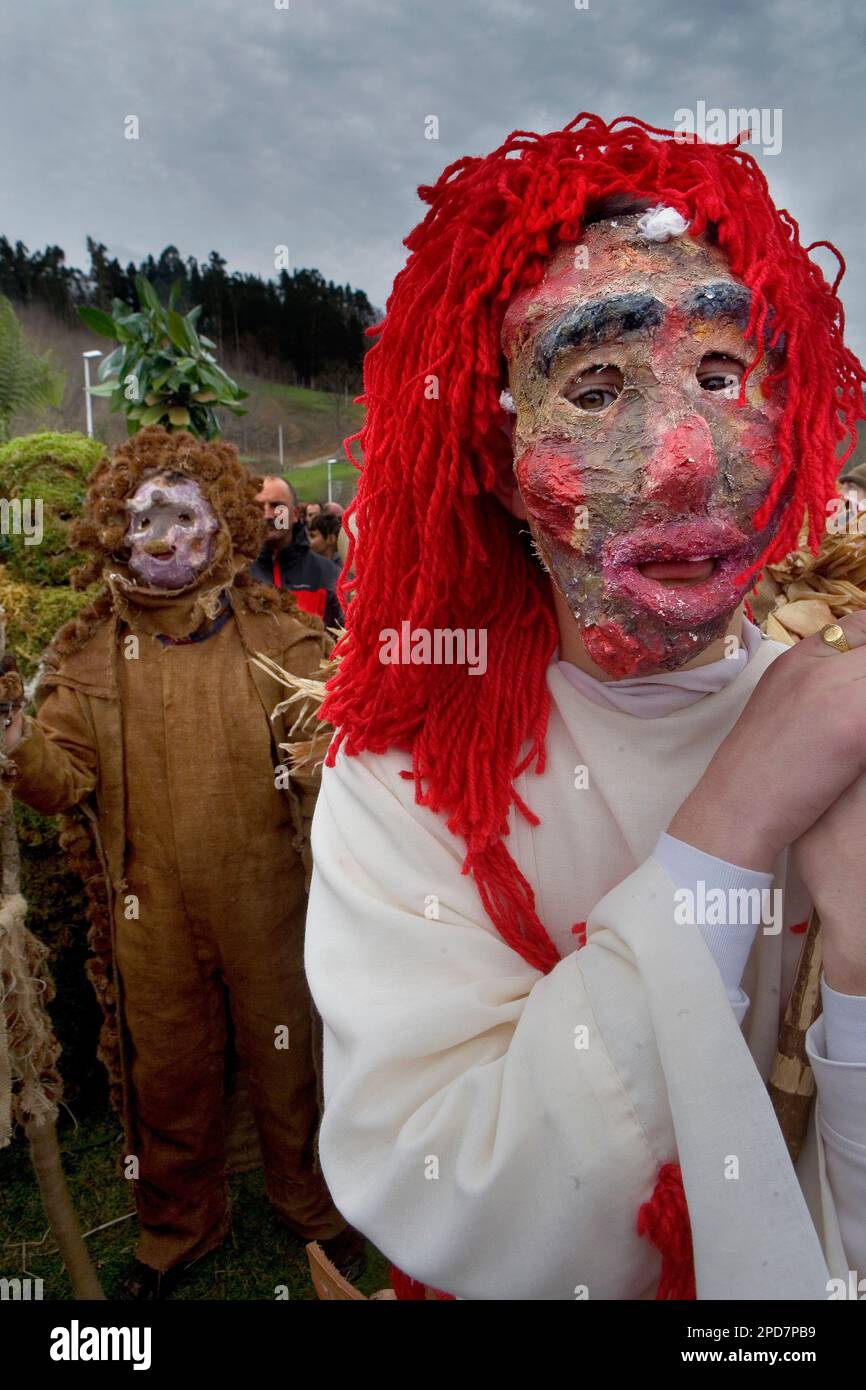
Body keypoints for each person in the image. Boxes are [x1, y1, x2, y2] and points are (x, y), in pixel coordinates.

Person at [304, 114, 866, 1300]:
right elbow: (454, 1184)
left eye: (721, 374)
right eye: (593, 385)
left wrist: (858, 981)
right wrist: (726, 829)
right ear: (489, 454)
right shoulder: (402, 786)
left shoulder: (848, 721)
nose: (680, 458)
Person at [2, 426, 363, 1297]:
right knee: (167, 1068)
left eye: (183, 515)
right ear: (113, 533)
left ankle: (312, 1205)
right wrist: (15, 740)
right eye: (144, 519)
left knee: (289, 1058)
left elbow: (330, 765)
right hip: (149, 912)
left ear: (226, 526)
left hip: (270, 904)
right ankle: (179, 1224)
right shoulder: (89, 658)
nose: (162, 535)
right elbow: (62, 781)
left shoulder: (282, 640)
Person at [251, 477, 342, 627]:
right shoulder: (234, 575)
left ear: (295, 514)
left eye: (276, 506)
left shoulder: (329, 576)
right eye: (259, 507)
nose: (267, 515)